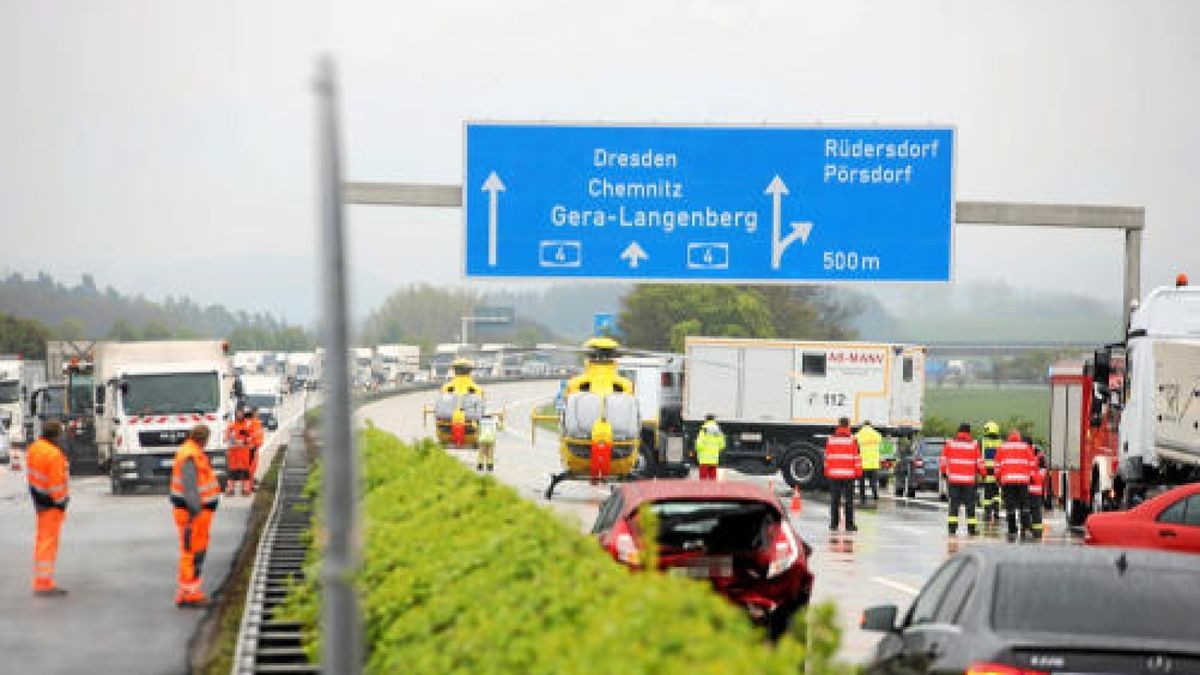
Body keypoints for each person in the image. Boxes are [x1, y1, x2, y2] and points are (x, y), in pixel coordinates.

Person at [170, 425, 221, 608]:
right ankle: (189, 594)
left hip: (197, 513)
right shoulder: (190, 455)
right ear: (203, 438)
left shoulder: (191, 452)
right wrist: (194, 511)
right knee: (191, 552)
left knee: (194, 551)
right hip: (193, 513)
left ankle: (187, 592)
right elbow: (190, 488)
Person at [26, 419, 70, 596]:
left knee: (42, 541)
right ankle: (44, 583)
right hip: (51, 504)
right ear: (57, 435)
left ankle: (41, 580)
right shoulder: (54, 455)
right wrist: (62, 501)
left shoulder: (35, 448)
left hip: (39, 500)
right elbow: (56, 486)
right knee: (48, 543)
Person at [940, 422, 985, 536]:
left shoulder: (950, 444)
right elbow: (979, 463)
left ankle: (952, 529)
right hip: (969, 482)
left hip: (954, 480)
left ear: (958, 431)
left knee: (954, 505)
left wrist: (944, 472)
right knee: (970, 506)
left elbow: (943, 459)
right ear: (969, 432)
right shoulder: (974, 445)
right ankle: (971, 529)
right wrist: (983, 473)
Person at [995, 430, 1036, 538]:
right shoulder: (1026, 447)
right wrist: (1031, 477)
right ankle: (1026, 528)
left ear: (1009, 437)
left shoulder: (1002, 448)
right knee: (1024, 506)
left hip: (1007, 482)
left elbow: (997, 466)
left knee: (1010, 506)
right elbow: (1032, 464)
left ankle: (1012, 529)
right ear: (1019, 437)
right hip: (1023, 481)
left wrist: (998, 479)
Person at [824, 417, 862, 531]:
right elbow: (857, 458)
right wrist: (858, 473)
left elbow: (827, 458)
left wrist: (827, 472)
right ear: (848, 426)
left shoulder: (831, 440)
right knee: (849, 500)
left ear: (839, 425)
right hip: (849, 475)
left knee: (835, 500)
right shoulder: (853, 440)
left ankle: (833, 524)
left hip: (834, 475)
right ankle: (849, 525)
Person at [225, 408, 255, 496]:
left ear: (243, 414)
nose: (239, 415)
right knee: (232, 473)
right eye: (238, 413)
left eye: (241, 413)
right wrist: (234, 441)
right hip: (233, 454)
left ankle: (245, 490)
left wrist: (244, 441)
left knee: (245, 472)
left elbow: (251, 437)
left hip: (244, 453)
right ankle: (230, 490)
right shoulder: (231, 426)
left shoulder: (248, 426)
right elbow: (227, 437)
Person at [978, 420, 1003, 523]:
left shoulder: (982, 441)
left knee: (987, 495)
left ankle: (988, 512)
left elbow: (979, 457)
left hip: (986, 471)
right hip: (998, 471)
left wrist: (980, 472)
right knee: (997, 494)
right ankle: (996, 511)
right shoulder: (1001, 442)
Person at [855, 420, 883, 505]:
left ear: (863, 426)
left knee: (862, 482)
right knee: (873, 482)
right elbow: (880, 440)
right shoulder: (877, 435)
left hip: (862, 463)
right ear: (871, 425)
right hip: (873, 463)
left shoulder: (858, 435)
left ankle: (862, 497)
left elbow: (855, 443)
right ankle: (875, 495)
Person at [694, 414, 725, 481]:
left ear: (706, 420)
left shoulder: (704, 429)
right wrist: (716, 449)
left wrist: (698, 450)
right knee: (712, 479)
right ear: (714, 420)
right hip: (714, 458)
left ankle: (703, 490)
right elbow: (722, 444)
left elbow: (699, 442)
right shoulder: (718, 430)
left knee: (703, 479)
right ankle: (712, 491)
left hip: (704, 458)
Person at [1027, 449, 1047, 540]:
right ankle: (1034, 531)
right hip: (1034, 491)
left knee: (1033, 511)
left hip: (1032, 491)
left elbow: (1040, 477)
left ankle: (1036, 531)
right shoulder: (1039, 457)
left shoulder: (1039, 458)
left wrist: (1031, 477)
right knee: (1033, 512)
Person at [247, 406, 265, 492]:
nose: (259, 414)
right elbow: (253, 435)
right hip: (252, 448)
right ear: (254, 413)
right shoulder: (254, 423)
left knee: (252, 468)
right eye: (258, 412)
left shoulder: (252, 422)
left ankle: (251, 484)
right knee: (251, 468)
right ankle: (250, 487)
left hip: (253, 447)